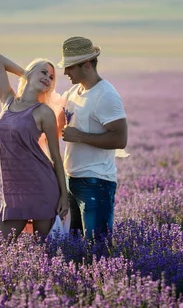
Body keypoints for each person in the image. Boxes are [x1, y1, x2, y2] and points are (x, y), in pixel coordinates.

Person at [56, 36, 128, 240]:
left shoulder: (106, 95)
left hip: (96, 182)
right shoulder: (73, 92)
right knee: (76, 247)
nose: (65, 72)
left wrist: (79, 136)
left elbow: (120, 139)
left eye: (70, 67)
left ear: (86, 64)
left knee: (97, 249)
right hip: (72, 181)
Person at [0, 54, 69, 240]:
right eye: (43, 72)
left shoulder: (44, 113)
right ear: (30, 73)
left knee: (47, 253)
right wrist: (25, 73)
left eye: (51, 77)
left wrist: (64, 197)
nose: (48, 78)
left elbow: (56, 157)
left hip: (42, 186)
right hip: (13, 191)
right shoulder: (8, 100)